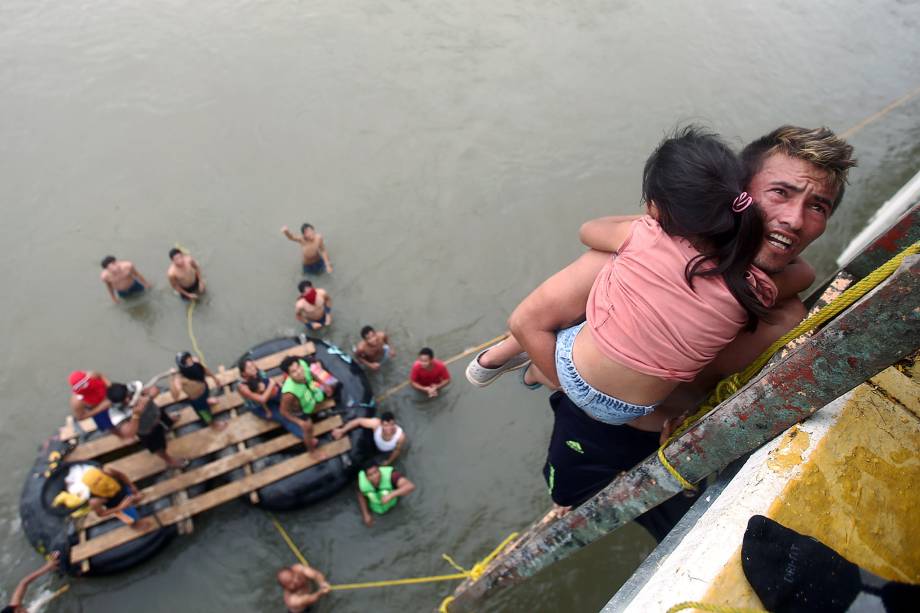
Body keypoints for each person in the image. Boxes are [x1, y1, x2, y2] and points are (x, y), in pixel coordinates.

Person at [468, 125, 855, 536]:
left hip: (668, 434)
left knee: (680, 529)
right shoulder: (639, 254)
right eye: (780, 192)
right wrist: (567, 387)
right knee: (567, 488)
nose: (794, 220)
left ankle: (532, 371)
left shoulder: (780, 308)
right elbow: (531, 321)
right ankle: (534, 376)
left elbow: (712, 376)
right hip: (595, 415)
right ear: (735, 193)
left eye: (818, 207)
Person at [118, 384, 189, 469]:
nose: (128, 400)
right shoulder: (116, 413)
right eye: (124, 400)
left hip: (156, 414)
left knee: (167, 420)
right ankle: (169, 461)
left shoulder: (135, 389)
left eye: (128, 396)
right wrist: (136, 415)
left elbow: (155, 389)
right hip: (147, 431)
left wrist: (148, 398)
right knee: (158, 447)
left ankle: (170, 421)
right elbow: (129, 432)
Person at [279, 356, 327, 457]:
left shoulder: (303, 365)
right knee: (308, 429)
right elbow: (283, 411)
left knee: (323, 394)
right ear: (288, 375)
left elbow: (312, 374)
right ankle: (312, 452)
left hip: (309, 394)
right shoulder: (289, 393)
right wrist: (300, 422)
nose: (299, 372)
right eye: (294, 372)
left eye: (299, 367)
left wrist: (324, 384)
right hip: (300, 410)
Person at [170, 352, 227, 431]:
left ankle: (207, 400)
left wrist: (215, 378)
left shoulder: (196, 363)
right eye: (188, 361)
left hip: (205, 390)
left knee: (207, 397)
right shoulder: (180, 378)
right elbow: (175, 397)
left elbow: (205, 370)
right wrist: (173, 379)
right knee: (205, 413)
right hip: (197, 400)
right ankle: (213, 424)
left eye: (190, 359)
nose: (191, 362)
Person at [83, 465, 151, 528]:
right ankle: (135, 524)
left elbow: (121, 475)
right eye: (96, 484)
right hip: (116, 505)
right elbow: (101, 513)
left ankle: (134, 501)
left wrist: (132, 486)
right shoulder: (95, 500)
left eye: (101, 479)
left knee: (138, 497)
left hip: (124, 490)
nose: (104, 484)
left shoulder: (108, 471)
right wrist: (120, 507)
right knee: (130, 519)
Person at [332, 411, 407, 466]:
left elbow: (397, 450)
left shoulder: (400, 437)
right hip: (374, 444)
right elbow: (359, 421)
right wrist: (342, 430)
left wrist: (388, 462)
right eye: (386, 425)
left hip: (385, 452)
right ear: (381, 424)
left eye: (392, 424)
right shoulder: (376, 424)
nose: (389, 428)